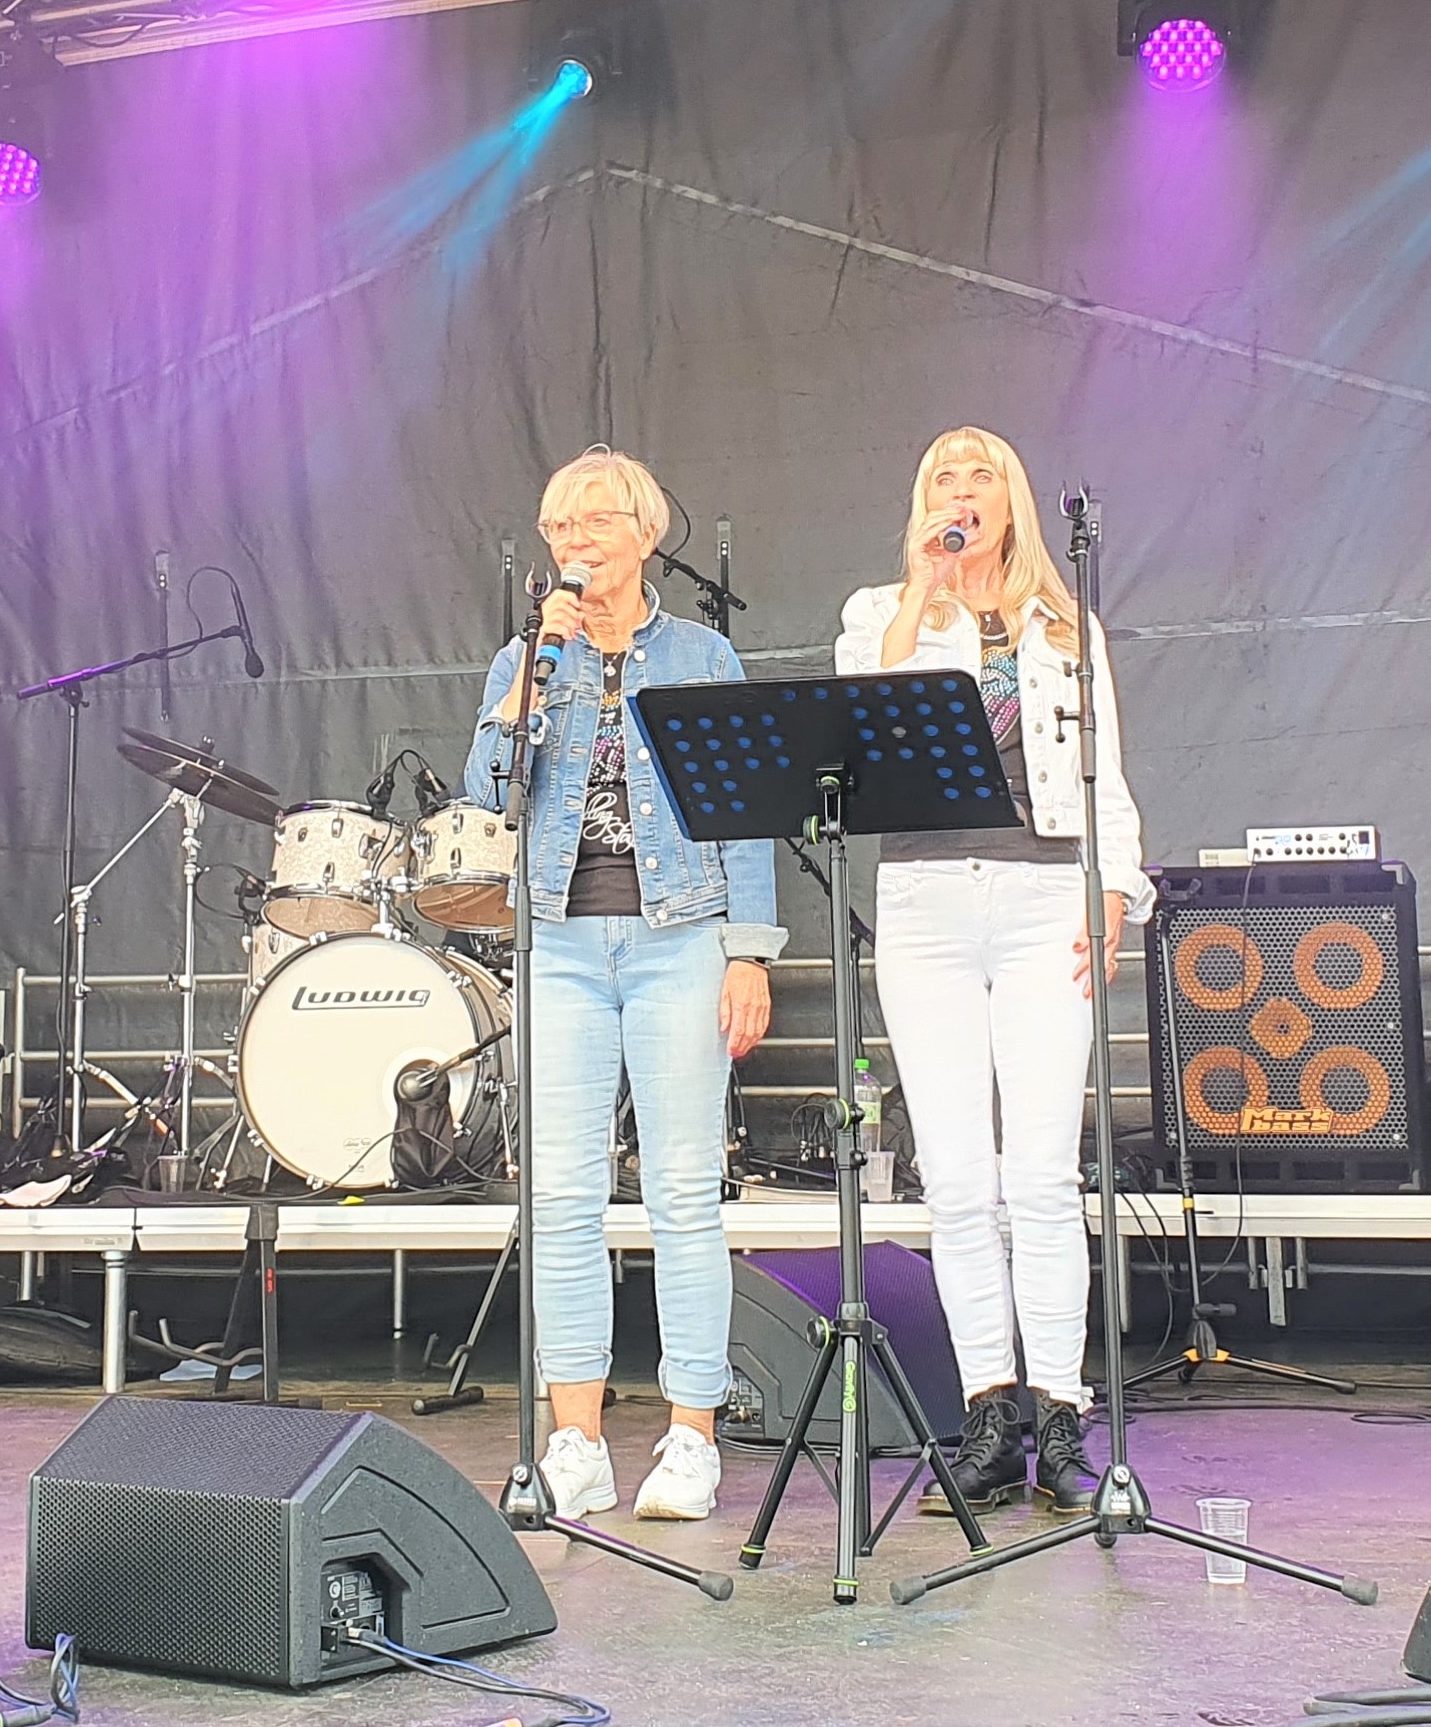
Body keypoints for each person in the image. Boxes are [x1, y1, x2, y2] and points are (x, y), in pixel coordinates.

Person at [463, 446, 779, 1522]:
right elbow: (484, 795)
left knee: (681, 1192)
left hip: (676, 937)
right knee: (560, 1196)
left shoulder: (699, 655)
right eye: (560, 525)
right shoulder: (527, 655)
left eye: (596, 520)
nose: (576, 540)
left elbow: (746, 809)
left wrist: (748, 951)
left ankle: (691, 1437)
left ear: (645, 533)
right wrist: (527, 678)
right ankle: (577, 1442)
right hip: (556, 942)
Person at [837, 428, 1149, 1515]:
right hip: (925, 899)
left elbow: (1104, 767)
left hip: (1041, 894)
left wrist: (1115, 887)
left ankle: (1060, 1412)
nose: (960, 491)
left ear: (1009, 500)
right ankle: (985, 1413)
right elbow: (856, 722)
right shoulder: (880, 612)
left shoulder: (1063, 622)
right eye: (942, 477)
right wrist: (920, 594)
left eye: (978, 477)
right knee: (958, 1177)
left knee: (1041, 1175)